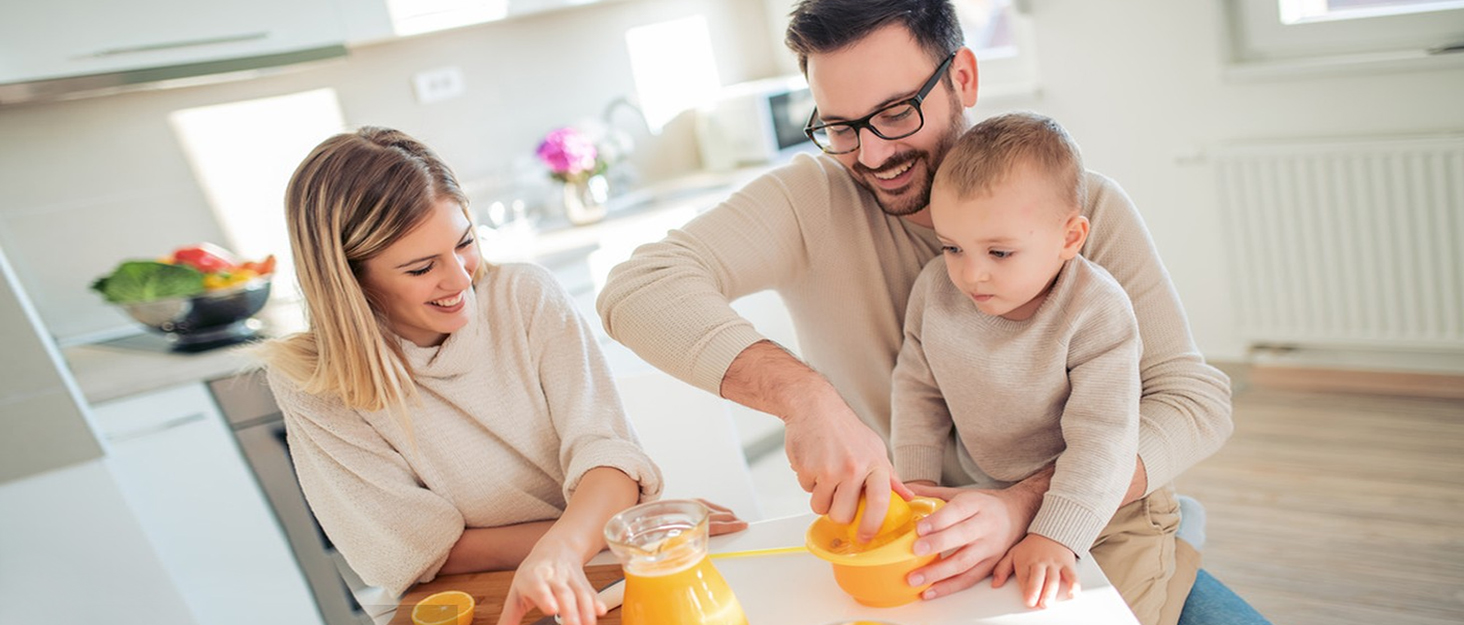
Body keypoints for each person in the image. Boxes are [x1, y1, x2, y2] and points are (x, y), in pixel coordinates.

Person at [596, 1, 1266, 622]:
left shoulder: (1079, 208)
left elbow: (1194, 399)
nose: (874, 153)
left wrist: (1024, 504)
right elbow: (636, 288)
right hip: (908, 554)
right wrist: (805, 398)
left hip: (1093, 531)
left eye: (895, 114)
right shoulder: (810, 199)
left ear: (963, 77)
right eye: (840, 126)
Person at [256, 127, 744, 625]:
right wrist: (600, 531)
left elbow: (608, 453)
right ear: (349, 278)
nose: (460, 279)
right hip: (471, 599)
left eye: (464, 242)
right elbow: (416, 551)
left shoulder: (525, 297)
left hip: (591, 567)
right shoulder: (312, 382)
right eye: (422, 268)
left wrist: (575, 544)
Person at [892, 112, 1177, 624]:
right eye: (953, 247)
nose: (971, 273)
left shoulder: (1096, 309)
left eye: (1000, 252)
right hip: (1003, 505)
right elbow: (917, 390)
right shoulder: (936, 291)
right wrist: (914, 485)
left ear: (1071, 238)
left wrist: (1055, 533)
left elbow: (1103, 438)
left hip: (1115, 508)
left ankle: (1177, 554)